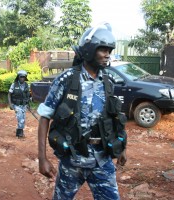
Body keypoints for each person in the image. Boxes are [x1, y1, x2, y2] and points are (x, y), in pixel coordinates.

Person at [37, 23, 127, 200]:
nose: (107, 54)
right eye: (103, 49)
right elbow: (45, 116)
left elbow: (115, 117)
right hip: (72, 159)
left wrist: (122, 147)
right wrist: (42, 159)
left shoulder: (107, 81)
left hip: (102, 160)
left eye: (109, 50)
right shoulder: (67, 79)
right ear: (89, 49)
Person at [8, 70, 30, 138]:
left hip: (24, 105)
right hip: (16, 105)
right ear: (18, 77)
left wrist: (28, 103)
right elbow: (9, 94)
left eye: (23, 77)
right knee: (20, 119)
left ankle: (19, 132)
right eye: (21, 77)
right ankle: (20, 134)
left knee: (23, 119)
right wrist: (10, 104)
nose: (22, 78)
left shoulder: (27, 85)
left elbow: (28, 95)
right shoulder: (14, 84)